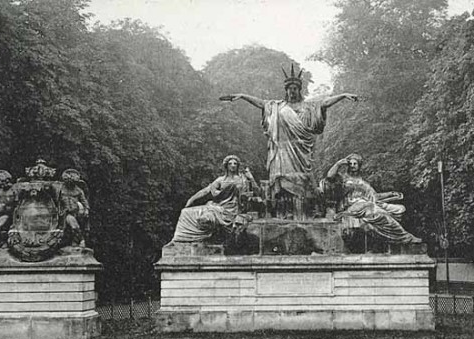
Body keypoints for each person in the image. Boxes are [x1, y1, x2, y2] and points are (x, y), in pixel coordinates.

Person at [220, 64, 357, 219]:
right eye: (289, 88)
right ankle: (283, 213)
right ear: (286, 90)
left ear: (299, 90)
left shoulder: (308, 107)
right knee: (281, 179)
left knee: (302, 179)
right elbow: (261, 103)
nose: (292, 90)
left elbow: (324, 103)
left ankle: (305, 213)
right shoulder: (277, 106)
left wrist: (342, 95)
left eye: (295, 88)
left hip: (301, 150)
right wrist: (243, 96)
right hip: (281, 149)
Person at [325, 153, 421, 247]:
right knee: (380, 213)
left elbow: (374, 196)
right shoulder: (343, 178)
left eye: (355, 164)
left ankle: (400, 238)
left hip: (365, 205)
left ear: (359, 165)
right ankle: (406, 237)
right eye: (350, 164)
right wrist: (338, 164)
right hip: (351, 207)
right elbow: (329, 177)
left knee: (399, 209)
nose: (353, 166)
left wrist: (390, 193)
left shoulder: (363, 182)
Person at [168, 155, 259, 243]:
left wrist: (251, 178)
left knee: (206, 217)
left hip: (233, 210)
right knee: (186, 212)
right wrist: (191, 199)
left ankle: (191, 238)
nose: (233, 165)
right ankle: (178, 240)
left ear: (238, 166)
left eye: (235, 163)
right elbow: (206, 191)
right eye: (230, 163)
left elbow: (257, 192)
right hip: (218, 207)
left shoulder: (242, 179)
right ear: (226, 166)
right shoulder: (220, 180)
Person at [57, 169, 90, 247]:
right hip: (64, 213)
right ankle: (82, 240)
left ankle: (76, 242)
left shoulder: (79, 190)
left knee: (74, 225)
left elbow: (84, 201)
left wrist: (86, 209)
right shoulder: (60, 189)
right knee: (73, 224)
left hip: (77, 212)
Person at [0, 170, 16, 248]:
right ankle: (1, 241)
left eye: (1, 182)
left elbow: (17, 202)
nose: (1, 185)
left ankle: (5, 242)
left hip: (10, 213)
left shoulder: (14, 189)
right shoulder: (1, 191)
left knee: (0, 227)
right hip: (0, 213)